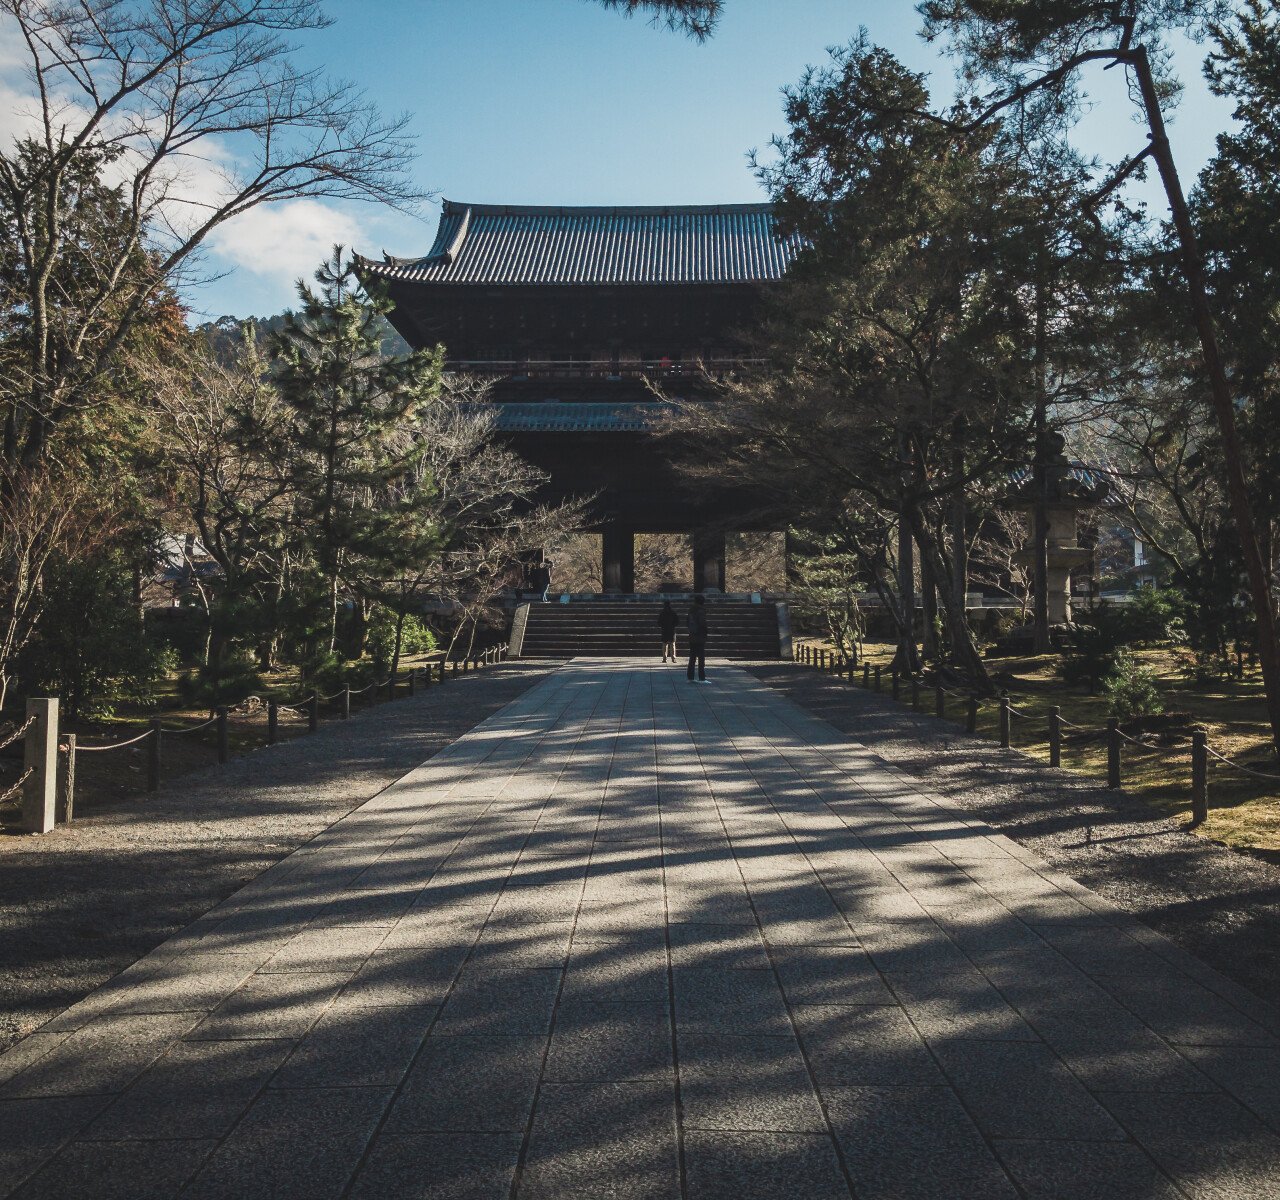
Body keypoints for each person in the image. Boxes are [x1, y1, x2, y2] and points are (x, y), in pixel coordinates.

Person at [686, 594, 708, 682]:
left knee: (692, 658)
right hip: (700, 637)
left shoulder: (691, 610)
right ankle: (702, 677)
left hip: (692, 636)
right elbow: (702, 623)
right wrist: (706, 632)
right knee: (701, 658)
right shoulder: (701, 611)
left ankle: (690, 677)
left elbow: (687, 622)